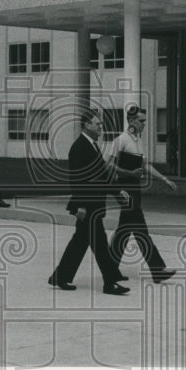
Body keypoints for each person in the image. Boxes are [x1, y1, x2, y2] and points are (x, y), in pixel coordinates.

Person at [48, 110, 131, 296]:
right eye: (97, 123)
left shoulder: (91, 145)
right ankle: (110, 283)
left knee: (80, 242)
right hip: (88, 206)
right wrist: (80, 205)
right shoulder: (79, 147)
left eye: (101, 123)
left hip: (93, 205)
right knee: (100, 244)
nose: (101, 126)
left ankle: (60, 277)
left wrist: (118, 191)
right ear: (86, 125)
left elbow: (101, 175)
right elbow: (76, 179)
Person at [109, 104, 179, 283]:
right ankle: (157, 270)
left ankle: (108, 267)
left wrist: (164, 179)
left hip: (134, 187)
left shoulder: (138, 141)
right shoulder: (121, 140)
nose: (144, 124)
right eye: (141, 121)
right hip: (125, 188)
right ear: (131, 121)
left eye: (144, 121)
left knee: (124, 231)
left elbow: (145, 165)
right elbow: (109, 165)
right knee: (140, 229)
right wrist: (126, 178)